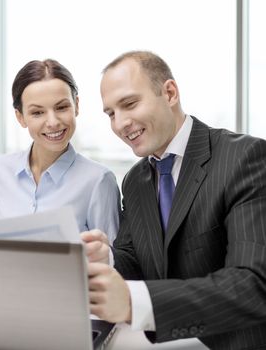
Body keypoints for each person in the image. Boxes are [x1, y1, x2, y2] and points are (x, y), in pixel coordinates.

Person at [81, 51, 266, 349]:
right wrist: (108, 259)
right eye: (111, 113)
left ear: (169, 93)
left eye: (129, 104)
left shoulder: (245, 159)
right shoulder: (135, 181)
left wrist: (131, 301)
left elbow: (253, 284)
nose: (120, 124)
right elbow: (137, 260)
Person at [0, 59, 120, 242]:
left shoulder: (99, 181)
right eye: (37, 112)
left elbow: (110, 260)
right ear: (20, 117)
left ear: (76, 106)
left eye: (62, 107)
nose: (53, 122)